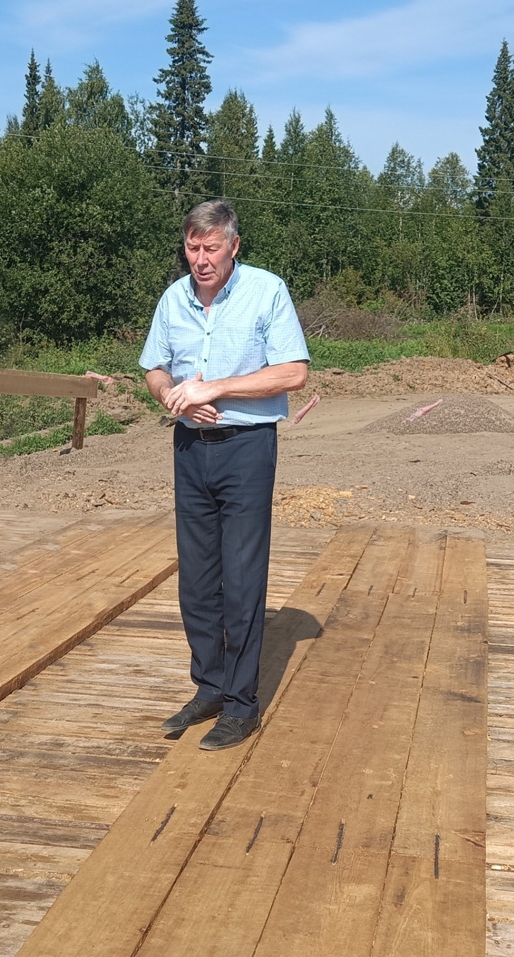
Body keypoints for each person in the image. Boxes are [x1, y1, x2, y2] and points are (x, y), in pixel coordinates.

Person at [140, 200, 310, 751]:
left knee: (241, 580)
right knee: (195, 580)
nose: (201, 259)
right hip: (190, 447)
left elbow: (294, 373)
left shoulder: (267, 291)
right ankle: (210, 686)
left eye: (212, 248)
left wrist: (216, 387)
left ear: (234, 246)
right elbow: (154, 367)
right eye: (193, 248)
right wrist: (171, 395)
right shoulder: (174, 298)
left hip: (246, 449)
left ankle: (241, 705)